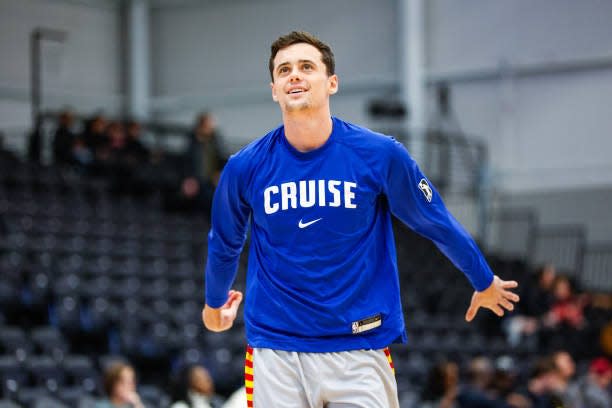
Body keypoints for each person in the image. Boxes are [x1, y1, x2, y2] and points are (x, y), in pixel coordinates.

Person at [202, 31, 520, 408]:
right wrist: (213, 304)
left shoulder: (379, 154)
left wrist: (482, 278)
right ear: (274, 89)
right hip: (276, 351)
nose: (295, 76)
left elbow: (434, 220)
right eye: (284, 70)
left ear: (332, 82)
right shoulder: (244, 167)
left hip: (358, 347)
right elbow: (224, 243)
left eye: (307, 67)